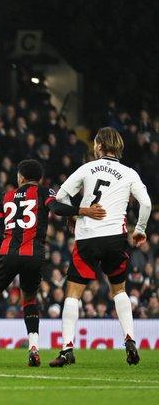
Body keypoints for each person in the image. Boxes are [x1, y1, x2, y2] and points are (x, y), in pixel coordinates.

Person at [0, 159, 106, 367]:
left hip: (8, 254)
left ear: (20, 177)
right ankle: (34, 348)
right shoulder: (44, 192)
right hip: (33, 256)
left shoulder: (6, 196)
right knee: (29, 300)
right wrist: (82, 211)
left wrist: (9, 246)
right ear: (40, 179)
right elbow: (56, 208)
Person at [50, 128, 152, 367]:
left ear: (98, 146)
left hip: (87, 238)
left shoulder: (87, 168)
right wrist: (140, 229)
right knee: (119, 291)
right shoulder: (129, 173)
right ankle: (129, 340)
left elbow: (59, 200)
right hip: (115, 238)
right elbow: (146, 203)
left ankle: (67, 349)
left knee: (73, 295)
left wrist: (74, 214)